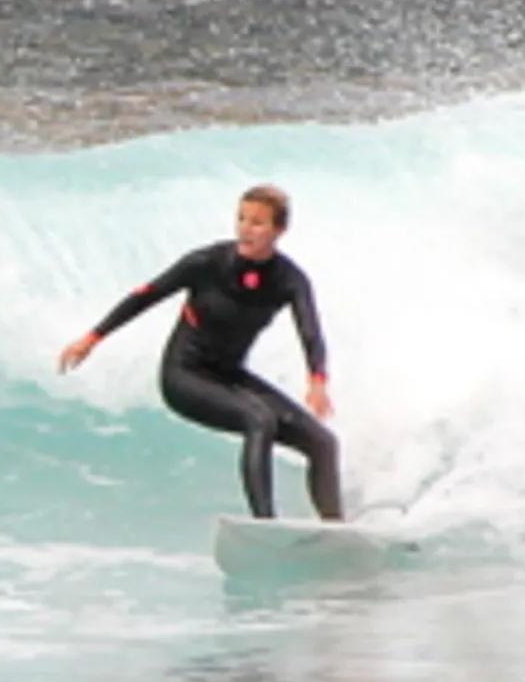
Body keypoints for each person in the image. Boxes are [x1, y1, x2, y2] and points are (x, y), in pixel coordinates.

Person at [60, 182, 347, 523]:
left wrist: (317, 380)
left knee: (323, 443)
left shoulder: (289, 280)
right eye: (241, 218)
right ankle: (265, 525)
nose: (245, 228)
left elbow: (310, 331)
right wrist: (92, 338)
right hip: (184, 376)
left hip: (229, 376)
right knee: (259, 419)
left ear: (279, 230)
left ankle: (336, 530)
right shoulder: (206, 263)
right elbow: (145, 295)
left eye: (257, 222)